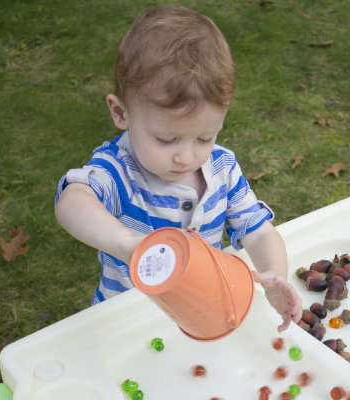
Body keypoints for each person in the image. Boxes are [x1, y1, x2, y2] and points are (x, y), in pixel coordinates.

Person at [54, 5, 302, 331]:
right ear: (121, 113)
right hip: (126, 325)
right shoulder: (119, 169)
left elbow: (257, 231)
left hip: (201, 316)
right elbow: (73, 201)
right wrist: (130, 246)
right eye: (167, 138)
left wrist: (274, 276)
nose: (185, 157)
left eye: (204, 137)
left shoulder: (222, 168)